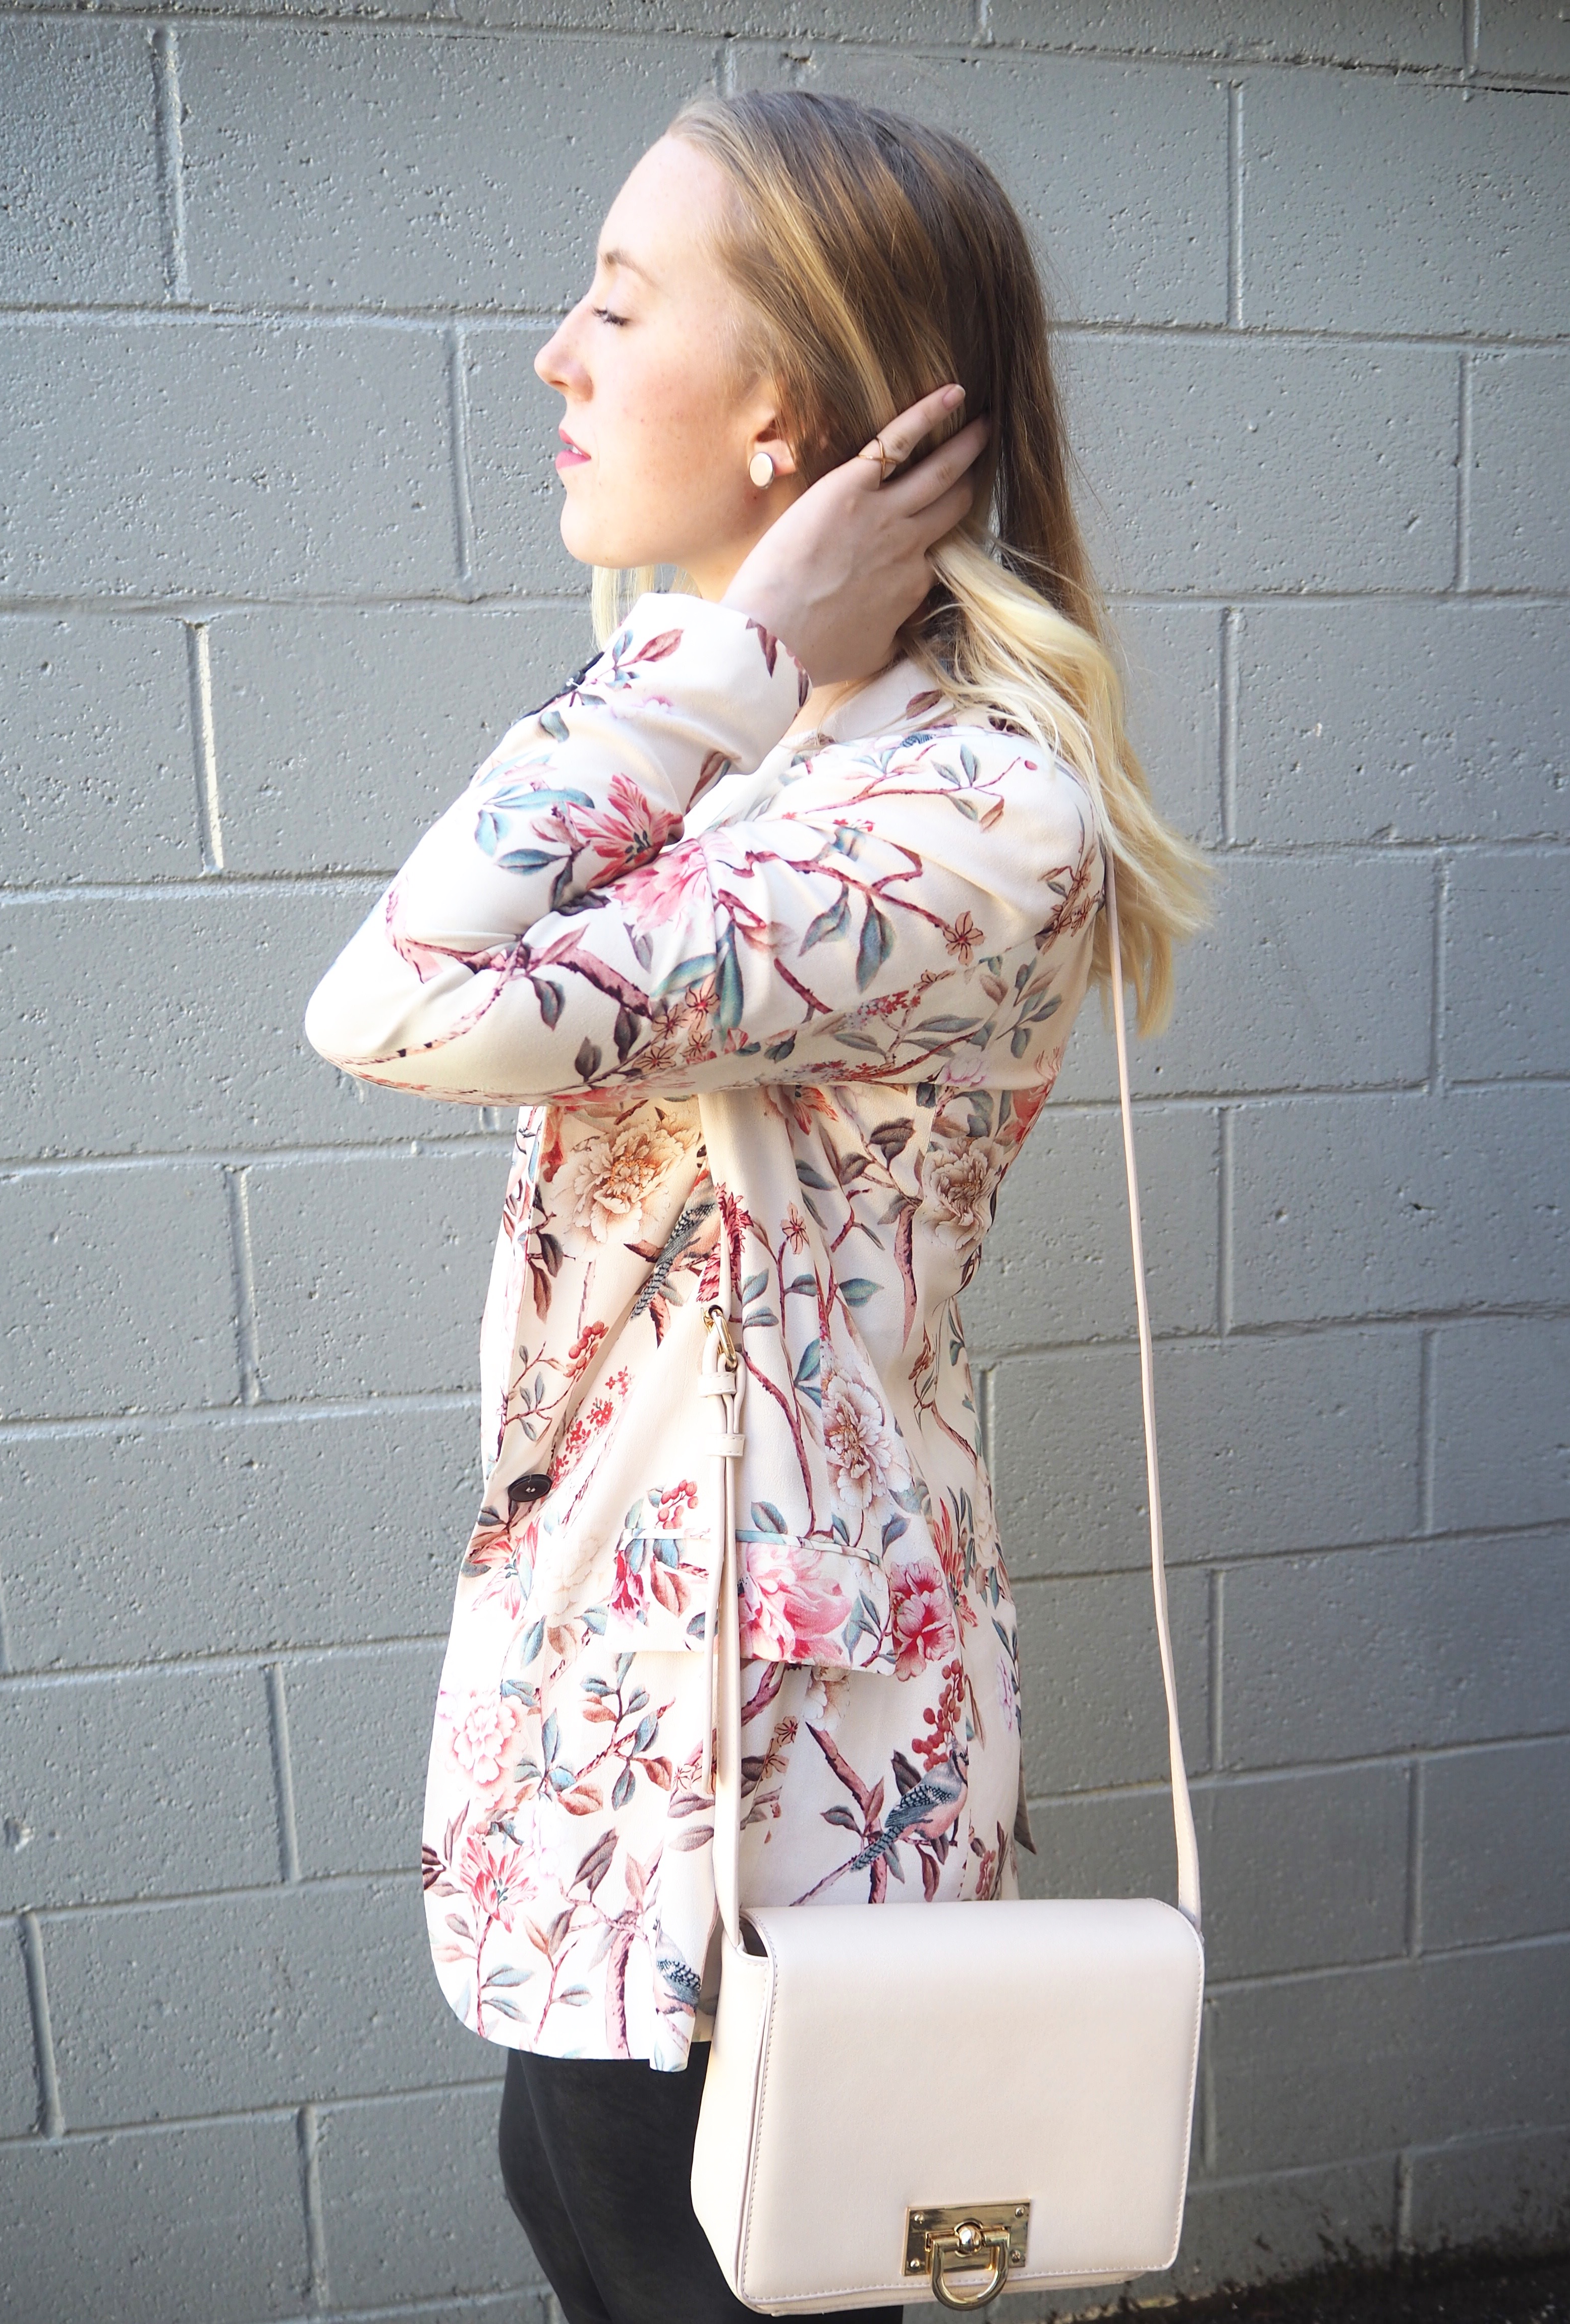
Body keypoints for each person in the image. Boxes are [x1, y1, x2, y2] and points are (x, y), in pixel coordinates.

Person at [305, 87, 1206, 2324]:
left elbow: (402, 1001)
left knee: (699, 2268)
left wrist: (725, 648)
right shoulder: (788, 757)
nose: (556, 357)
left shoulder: (959, 808)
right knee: (587, 2212)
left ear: (793, 402)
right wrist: (741, 674)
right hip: (623, 1661)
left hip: (765, 1728)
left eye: (620, 301)